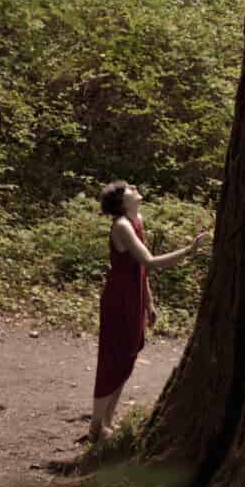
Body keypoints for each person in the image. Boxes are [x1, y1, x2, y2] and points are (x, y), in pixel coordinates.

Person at [90, 182, 207, 443]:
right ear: (122, 202)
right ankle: (96, 426)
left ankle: (107, 422)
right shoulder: (121, 225)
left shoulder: (137, 218)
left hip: (133, 296)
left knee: (129, 355)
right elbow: (149, 262)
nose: (133, 187)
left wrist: (149, 302)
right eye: (127, 188)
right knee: (114, 358)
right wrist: (189, 250)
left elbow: (139, 270)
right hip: (118, 299)